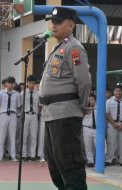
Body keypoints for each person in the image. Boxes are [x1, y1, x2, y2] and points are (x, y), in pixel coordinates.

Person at [39, 7, 91, 189]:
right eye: (52, 21)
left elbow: (83, 80)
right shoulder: (58, 47)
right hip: (51, 114)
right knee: (55, 163)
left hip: (65, 114)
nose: (53, 25)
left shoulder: (74, 48)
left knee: (70, 163)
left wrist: (83, 105)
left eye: (58, 22)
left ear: (70, 25)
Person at [0, 76, 20, 161]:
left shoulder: (17, 94)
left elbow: (18, 106)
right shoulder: (1, 93)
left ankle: (13, 155)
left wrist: (13, 112)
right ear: (6, 83)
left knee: (12, 136)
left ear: (14, 84)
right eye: (9, 83)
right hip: (3, 114)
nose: (10, 85)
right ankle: (0, 155)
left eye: (12, 83)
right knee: (2, 136)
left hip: (13, 114)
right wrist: (1, 113)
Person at [106, 83, 122, 166]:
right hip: (112, 124)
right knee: (111, 143)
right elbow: (107, 113)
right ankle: (109, 160)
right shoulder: (109, 101)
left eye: (119, 90)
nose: (118, 92)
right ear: (114, 92)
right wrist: (114, 124)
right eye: (116, 90)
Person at [21, 75, 40, 161]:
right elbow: (20, 105)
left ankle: (32, 155)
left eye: (33, 83)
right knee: (24, 135)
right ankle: (24, 155)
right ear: (27, 83)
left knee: (33, 135)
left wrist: (37, 113)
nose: (32, 85)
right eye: (30, 83)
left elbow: (40, 106)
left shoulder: (38, 94)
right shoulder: (23, 94)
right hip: (26, 114)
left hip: (34, 115)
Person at [82, 94, 97, 167]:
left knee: (100, 145)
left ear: (95, 100)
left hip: (97, 129)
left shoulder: (99, 107)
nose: (91, 101)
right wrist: (86, 109)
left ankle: (99, 160)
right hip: (87, 128)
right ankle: (90, 161)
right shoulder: (84, 108)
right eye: (89, 100)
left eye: (92, 99)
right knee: (88, 146)